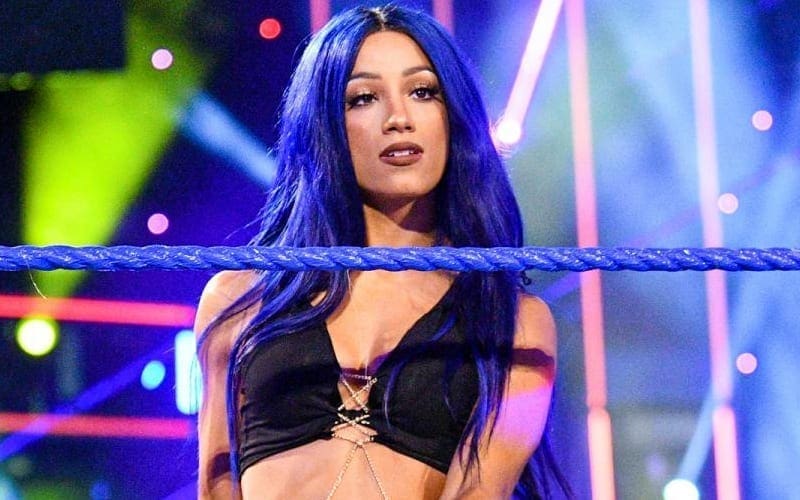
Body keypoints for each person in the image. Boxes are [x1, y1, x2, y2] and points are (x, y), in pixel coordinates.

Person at [195, 5, 566, 499]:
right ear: (325, 124)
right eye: (364, 98)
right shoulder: (237, 300)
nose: (398, 118)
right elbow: (216, 484)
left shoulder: (515, 323)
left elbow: (481, 491)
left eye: (423, 92)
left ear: (453, 116)